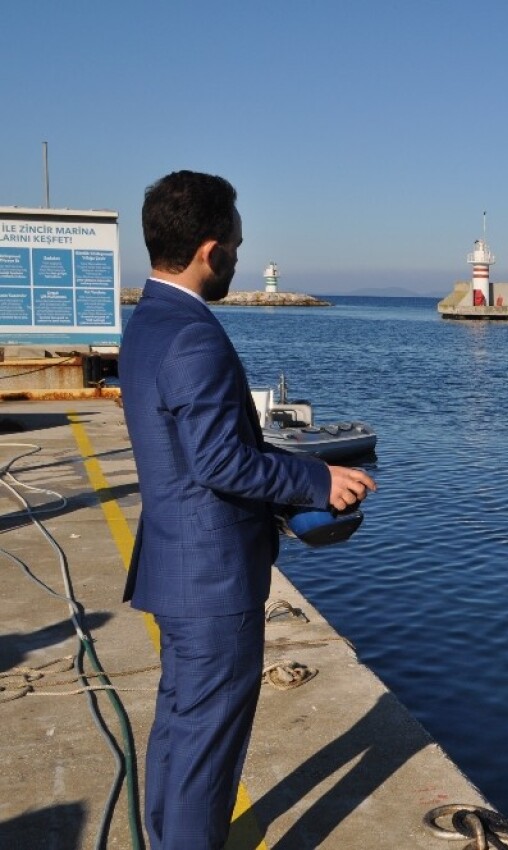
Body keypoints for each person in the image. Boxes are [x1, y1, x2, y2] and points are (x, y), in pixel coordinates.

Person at [119, 170, 375, 849]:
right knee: (208, 749)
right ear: (212, 251)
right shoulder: (194, 337)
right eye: (235, 241)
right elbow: (221, 462)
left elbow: (195, 455)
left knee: (181, 727)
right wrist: (318, 483)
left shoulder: (148, 321)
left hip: (175, 566)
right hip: (212, 581)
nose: (238, 251)